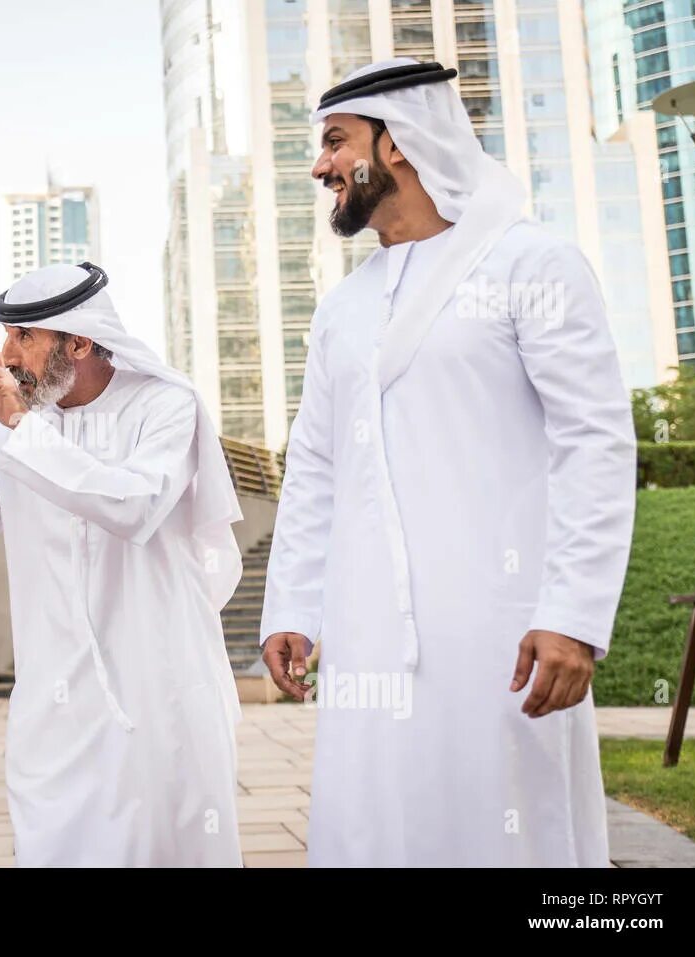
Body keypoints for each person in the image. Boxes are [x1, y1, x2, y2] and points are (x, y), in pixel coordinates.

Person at [260, 59, 637, 866]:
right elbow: (316, 466)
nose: (320, 165)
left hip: (499, 631)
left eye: (335, 142)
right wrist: (292, 603)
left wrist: (573, 611)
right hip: (364, 638)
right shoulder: (342, 309)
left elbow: (595, 439)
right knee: (370, 827)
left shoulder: (531, 264)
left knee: (505, 828)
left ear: (397, 144)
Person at [0, 263, 244, 866]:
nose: (10, 354)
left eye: (25, 336)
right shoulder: (13, 434)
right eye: (8, 335)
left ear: (78, 340)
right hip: (55, 708)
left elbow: (135, 505)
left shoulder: (165, 405)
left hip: (161, 693)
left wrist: (22, 425)